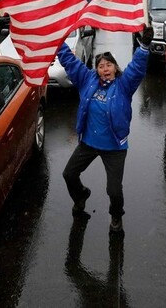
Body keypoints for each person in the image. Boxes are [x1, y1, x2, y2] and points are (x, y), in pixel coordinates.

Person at [56, 26, 153, 234]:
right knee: (69, 174)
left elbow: (136, 68)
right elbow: (70, 62)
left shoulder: (124, 85)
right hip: (88, 143)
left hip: (114, 147)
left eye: (109, 65)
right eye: (101, 65)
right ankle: (81, 195)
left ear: (116, 68)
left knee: (114, 191)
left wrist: (144, 46)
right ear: (96, 69)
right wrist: (57, 41)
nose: (105, 68)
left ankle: (116, 215)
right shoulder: (87, 80)